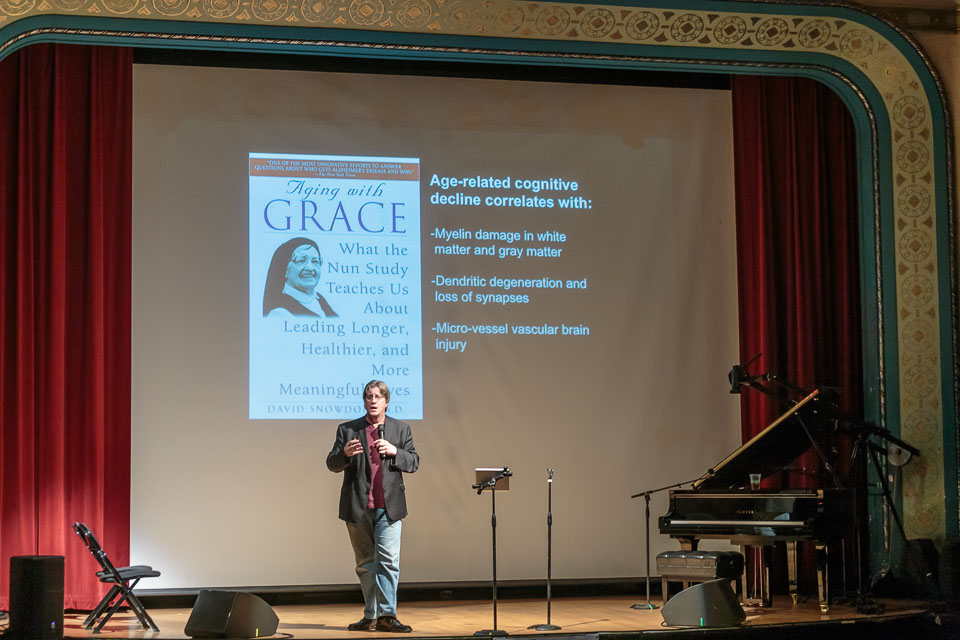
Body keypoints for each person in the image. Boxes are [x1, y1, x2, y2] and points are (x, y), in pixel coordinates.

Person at [326, 380, 419, 632]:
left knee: (388, 561)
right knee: (365, 563)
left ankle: (387, 615)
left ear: (387, 401)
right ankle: (371, 616)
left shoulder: (401, 429)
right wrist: (344, 454)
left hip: (389, 507)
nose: (373, 400)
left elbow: (413, 462)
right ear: (364, 401)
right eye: (369, 396)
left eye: (378, 396)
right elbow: (332, 464)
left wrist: (395, 451)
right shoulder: (348, 429)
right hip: (357, 506)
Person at [262, 237, 337, 317]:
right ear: (284, 269)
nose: (310, 268)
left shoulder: (320, 300)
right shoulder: (279, 313)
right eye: (301, 260)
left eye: (315, 261)